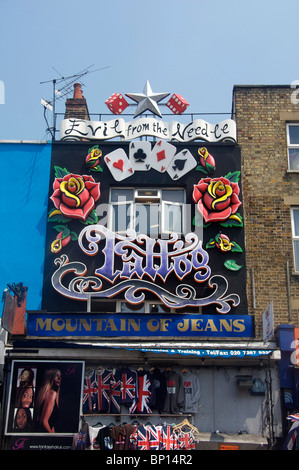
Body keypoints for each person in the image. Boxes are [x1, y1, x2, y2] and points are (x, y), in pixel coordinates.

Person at [35, 369, 61, 433]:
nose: (59, 378)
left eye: (60, 376)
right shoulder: (52, 394)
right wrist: (53, 437)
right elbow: (43, 422)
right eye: (56, 376)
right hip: (44, 436)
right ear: (50, 378)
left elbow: (51, 423)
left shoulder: (44, 393)